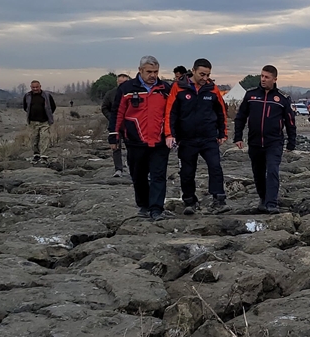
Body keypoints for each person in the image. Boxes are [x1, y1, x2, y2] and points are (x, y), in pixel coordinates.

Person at [113, 56, 173, 220]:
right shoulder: (126, 88)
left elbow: (171, 114)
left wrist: (171, 134)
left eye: (155, 72)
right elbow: (117, 112)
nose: (153, 75)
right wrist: (114, 135)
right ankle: (144, 205)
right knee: (138, 175)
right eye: (149, 72)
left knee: (158, 175)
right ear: (140, 71)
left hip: (160, 141)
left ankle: (156, 209)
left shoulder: (164, 89)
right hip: (135, 140)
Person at [165, 58, 228, 214]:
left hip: (209, 137)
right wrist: (169, 134)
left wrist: (223, 133)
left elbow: (221, 112)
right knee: (187, 172)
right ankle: (189, 201)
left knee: (215, 167)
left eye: (208, 75)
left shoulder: (212, 89)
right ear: (192, 71)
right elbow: (170, 113)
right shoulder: (178, 87)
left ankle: (219, 199)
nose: (205, 78)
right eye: (202, 74)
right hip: (186, 139)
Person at [233, 65, 296, 214]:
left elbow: (290, 122)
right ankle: (263, 199)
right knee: (258, 173)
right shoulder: (251, 95)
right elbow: (240, 117)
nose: (263, 79)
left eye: (266, 77)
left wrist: (292, 142)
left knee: (272, 170)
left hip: (274, 142)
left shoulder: (282, 98)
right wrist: (238, 137)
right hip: (255, 141)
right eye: (262, 76)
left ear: (274, 79)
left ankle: (272, 203)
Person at [100, 73, 130, 176]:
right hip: (115, 125)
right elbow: (104, 107)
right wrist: (112, 117)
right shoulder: (111, 94)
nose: (122, 85)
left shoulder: (132, 93)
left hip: (129, 125)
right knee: (116, 147)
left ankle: (132, 166)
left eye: (124, 83)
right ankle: (118, 169)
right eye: (120, 82)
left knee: (132, 147)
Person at [22, 81, 56, 163]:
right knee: (34, 139)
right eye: (33, 87)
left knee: (44, 137)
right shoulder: (27, 96)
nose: (35, 89)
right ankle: (36, 155)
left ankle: (44, 156)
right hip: (33, 122)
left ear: (40, 86)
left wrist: (48, 115)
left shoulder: (47, 95)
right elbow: (25, 107)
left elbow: (53, 107)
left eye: (37, 87)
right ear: (31, 87)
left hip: (44, 121)